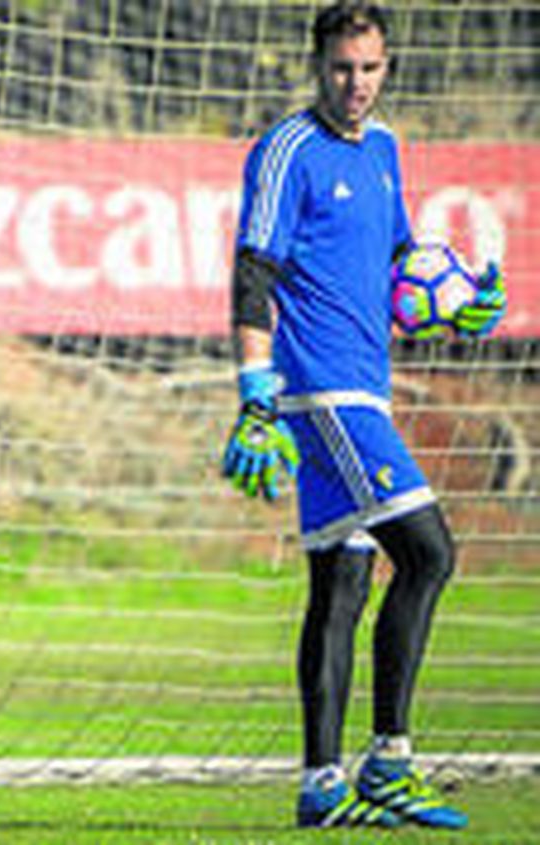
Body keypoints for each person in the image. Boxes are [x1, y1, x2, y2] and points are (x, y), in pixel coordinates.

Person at [221, 1, 505, 830]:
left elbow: (398, 265)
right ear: (319, 65)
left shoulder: (383, 148)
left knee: (342, 585)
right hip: (324, 392)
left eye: (370, 68)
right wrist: (255, 395)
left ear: (387, 67)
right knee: (429, 553)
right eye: (343, 67)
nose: (356, 83)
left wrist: (454, 305)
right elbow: (254, 270)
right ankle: (390, 761)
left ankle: (321, 782)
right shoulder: (286, 150)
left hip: (365, 385)